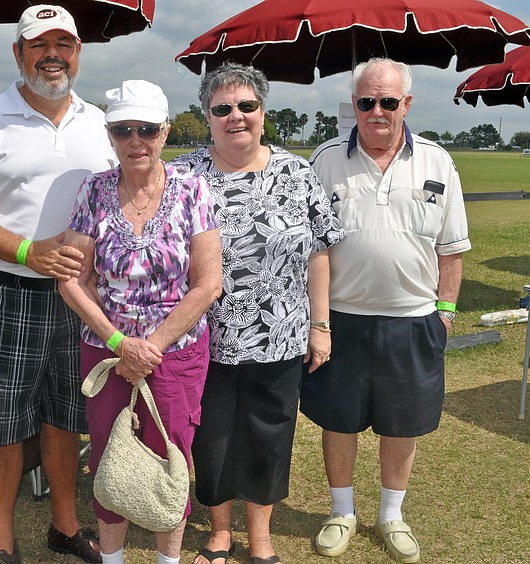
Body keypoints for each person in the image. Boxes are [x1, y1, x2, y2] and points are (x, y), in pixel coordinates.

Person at [0, 5, 116, 563]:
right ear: (19, 54)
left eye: (64, 43)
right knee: (1, 417)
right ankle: (1, 539)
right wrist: (26, 251)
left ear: (78, 53)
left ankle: (64, 526)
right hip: (8, 289)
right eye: (40, 45)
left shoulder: (99, 121)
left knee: (67, 412)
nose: (53, 55)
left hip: (81, 299)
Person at [171, 62, 345, 564]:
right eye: (222, 108)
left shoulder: (297, 173)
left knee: (270, 434)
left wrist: (320, 324)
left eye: (246, 106)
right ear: (207, 116)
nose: (236, 116)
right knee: (214, 438)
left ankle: (262, 537)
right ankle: (220, 533)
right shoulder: (184, 176)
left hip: (281, 336)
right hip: (206, 336)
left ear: (263, 112)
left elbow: (318, 253)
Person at [301, 57, 471, 564]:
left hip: (414, 319)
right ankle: (342, 512)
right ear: (353, 104)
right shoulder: (325, 159)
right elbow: (313, 248)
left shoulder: (438, 162)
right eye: (366, 101)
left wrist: (444, 312)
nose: (377, 111)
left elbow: (453, 248)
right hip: (341, 319)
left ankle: (391, 516)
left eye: (388, 101)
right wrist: (318, 320)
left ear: (407, 104)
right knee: (340, 420)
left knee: (403, 424)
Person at [58, 79, 222, 564]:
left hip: (175, 354)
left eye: (146, 129)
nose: (136, 141)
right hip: (106, 352)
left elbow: (207, 283)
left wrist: (149, 347)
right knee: (112, 460)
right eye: (123, 129)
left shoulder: (193, 190)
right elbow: (72, 280)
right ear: (110, 134)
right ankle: (113, 559)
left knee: (170, 459)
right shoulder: (93, 191)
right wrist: (118, 342)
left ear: (165, 132)